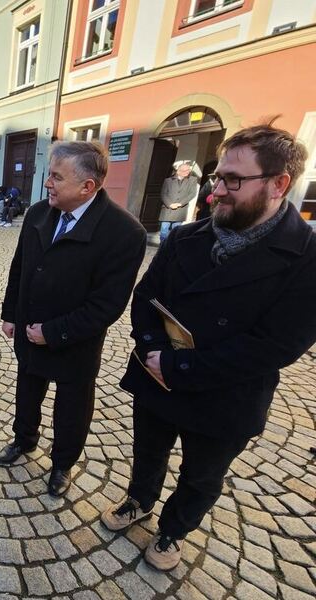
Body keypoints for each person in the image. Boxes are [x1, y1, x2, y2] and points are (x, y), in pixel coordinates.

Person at [100, 122, 316, 571]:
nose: (216, 191)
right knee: (148, 452)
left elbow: (276, 345)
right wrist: (154, 350)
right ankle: (139, 500)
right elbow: (146, 298)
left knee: (201, 476)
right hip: (157, 375)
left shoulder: (306, 258)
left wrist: (179, 367)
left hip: (226, 395)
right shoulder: (187, 236)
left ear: (279, 184)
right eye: (218, 176)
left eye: (232, 180)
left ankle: (173, 531)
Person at [0, 141, 147, 498]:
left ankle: (63, 463)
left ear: (87, 187)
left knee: (72, 409)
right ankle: (24, 439)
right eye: (49, 174)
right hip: (29, 331)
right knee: (27, 392)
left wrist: (52, 333)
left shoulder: (125, 233)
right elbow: (19, 268)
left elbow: (108, 305)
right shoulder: (37, 214)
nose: (47, 183)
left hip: (74, 344)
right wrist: (10, 313)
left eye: (56, 177)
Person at [159, 162, 198, 243]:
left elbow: (192, 194)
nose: (187, 172)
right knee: (163, 231)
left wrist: (180, 203)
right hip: (167, 209)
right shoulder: (168, 181)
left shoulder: (192, 180)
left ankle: (170, 247)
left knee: (175, 231)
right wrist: (170, 204)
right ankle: (162, 246)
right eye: (185, 170)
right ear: (178, 171)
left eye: (188, 170)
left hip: (180, 210)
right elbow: (163, 194)